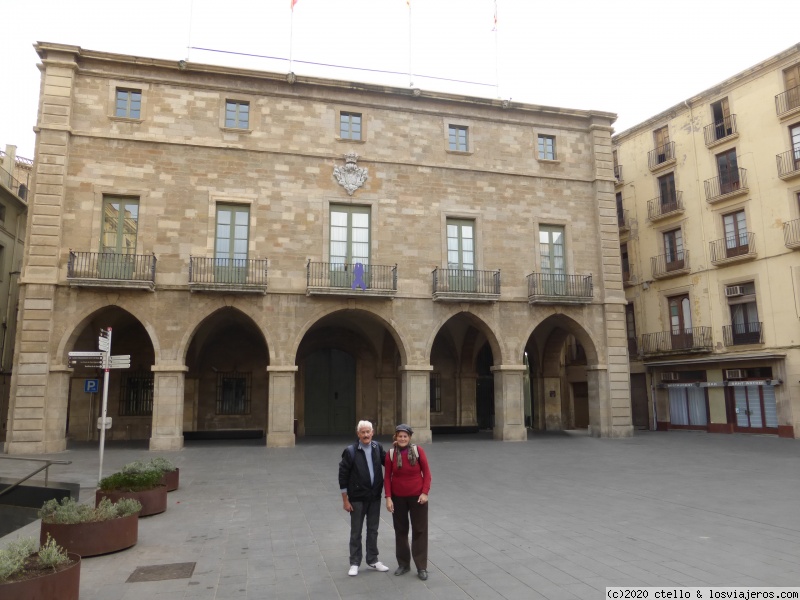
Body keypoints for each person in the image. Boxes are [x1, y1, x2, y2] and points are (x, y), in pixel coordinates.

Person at [338, 420, 390, 576]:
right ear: (358, 433)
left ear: (372, 432)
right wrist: (345, 500)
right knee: (356, 531)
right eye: (363, 432)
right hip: (357, 498)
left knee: (373, 530)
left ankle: (373, 559)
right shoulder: (351, 451)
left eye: (368, 432)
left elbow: (387, 462)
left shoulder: (377, 447)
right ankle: (354, 562)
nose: (366, 435)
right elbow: (343, 475)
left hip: (374, 497)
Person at [384, 423, 432, 581]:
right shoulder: (391, 454)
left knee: (419, 530)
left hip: (418, 497)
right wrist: (388, 498)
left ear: (409, 437)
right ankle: (404, 564)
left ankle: (421, 566)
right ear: (396, 438)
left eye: (405, 436)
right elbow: (387, 477)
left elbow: (427, 473)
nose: (402, 438)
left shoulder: (418, 451)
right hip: (398, 498)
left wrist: (425, 493)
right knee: (401, 531)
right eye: (400, 436)